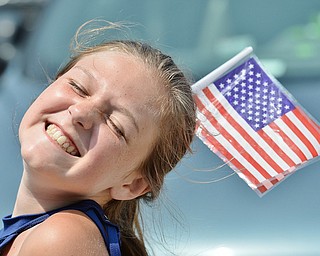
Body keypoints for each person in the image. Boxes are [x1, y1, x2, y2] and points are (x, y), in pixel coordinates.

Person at [0, 21, 196, 256]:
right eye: (78, 87)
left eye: (116, 125)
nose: (81, 113)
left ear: (132, 185)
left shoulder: (61, 238)